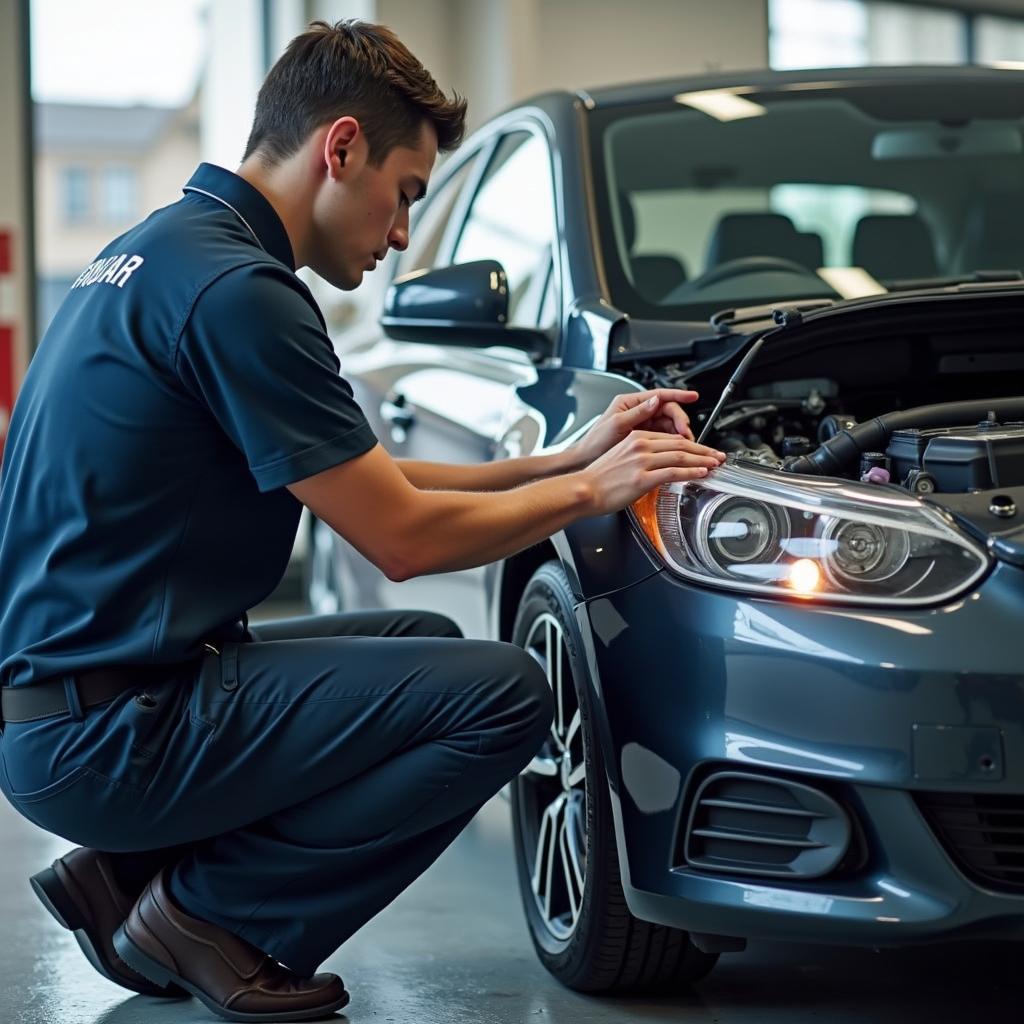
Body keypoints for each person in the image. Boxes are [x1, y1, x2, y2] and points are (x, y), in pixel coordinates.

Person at [0, 19, 725, 1023]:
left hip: (76, 706)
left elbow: (366, 479)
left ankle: (130, 876)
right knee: (499, 695)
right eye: (406, 195)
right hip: (113, 732)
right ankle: (207, 912)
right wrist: (593, 493)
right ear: (339, 148)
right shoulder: (241, 293)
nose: (398, 235)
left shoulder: (164, 250)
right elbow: (402, 539)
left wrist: (566, 455)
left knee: (421, 645)